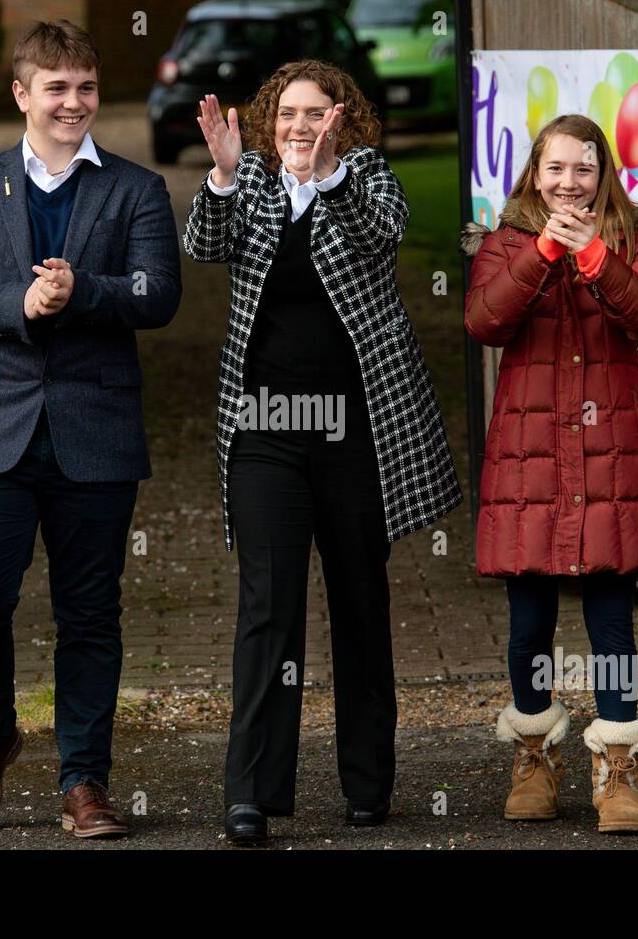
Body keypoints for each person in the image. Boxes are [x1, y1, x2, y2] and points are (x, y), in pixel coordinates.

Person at [183, 59, 461, 846]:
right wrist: (226, 174)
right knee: (268, 606)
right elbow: (203, 244)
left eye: (315, 114)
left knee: (360, 604)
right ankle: (252, 792)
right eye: (287, 115)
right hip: (265, 428)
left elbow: (384, 233)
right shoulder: (256, 181)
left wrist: (329, 173)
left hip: (355, 432)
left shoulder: (366, 177)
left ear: (343, 119)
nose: (300, 128)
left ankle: (368, 784)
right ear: (268, 122)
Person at [0, 20, 181, 839]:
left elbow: (159, 294)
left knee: (89, 614)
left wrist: (85, 291)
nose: (75, 102)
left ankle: (84, 781)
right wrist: (18, 304)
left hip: (95, 429)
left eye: (87, 88)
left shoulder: (135, 188)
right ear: (23, 94)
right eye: (57, 87)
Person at [461, 113, 638, 834]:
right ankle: (532, 754)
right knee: (531, 622)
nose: (569, 182)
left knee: (611, 625)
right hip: (530, 465)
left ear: (602, 174)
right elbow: (485, 320)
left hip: (608, 455)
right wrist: (545, 252)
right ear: (535, 172)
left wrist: (595, 260)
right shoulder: (505, 240)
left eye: (583, 169)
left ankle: (619, 770)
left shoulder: (633, 237)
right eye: (556, 168)